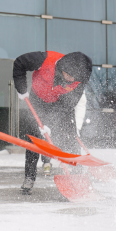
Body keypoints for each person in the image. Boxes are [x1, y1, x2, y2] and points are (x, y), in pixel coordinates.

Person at [13, 51, 93, 195]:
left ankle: (76, 177)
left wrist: (53, 121)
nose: (70, 79)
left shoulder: (80, 79)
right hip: (37, 100)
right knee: (34, 141)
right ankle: (29, 178)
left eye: (73, 77)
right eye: (67, 74)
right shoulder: (46, 59)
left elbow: (70, 103)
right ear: (62, 67)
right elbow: (19, 63)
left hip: (60, 104)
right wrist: (22, 89)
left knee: (70, 138)